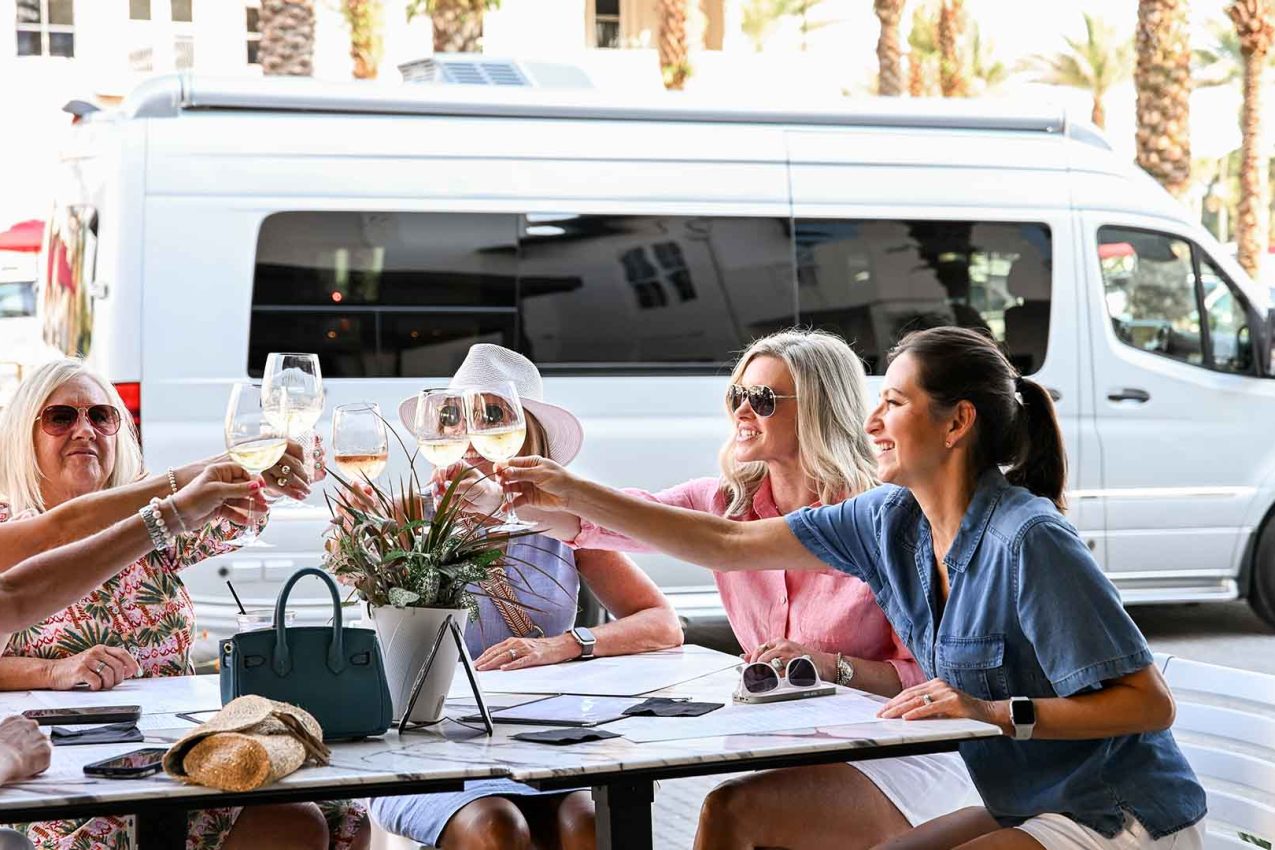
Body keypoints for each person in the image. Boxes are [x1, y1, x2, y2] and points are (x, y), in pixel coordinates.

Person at [502, 326, 1207, 850]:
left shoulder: (1028, 539)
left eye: (892, 403)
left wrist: (993, 713)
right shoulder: (886, 519)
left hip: (1115, 813)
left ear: (957, 422)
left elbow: (1149, 704)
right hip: (1020, 798)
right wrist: (567, 492)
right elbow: (726, 542)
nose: (871, 422)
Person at [511, 329, 982, 849]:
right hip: (797, 744)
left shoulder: (878, 517)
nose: (742, 410)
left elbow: (931, 677)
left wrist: (831, 667)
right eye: (737, 394)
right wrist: (504, 497)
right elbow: (604, 523)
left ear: (820, 409)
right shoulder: (725, 503)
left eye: (762, 398)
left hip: (904, 746)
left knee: (731, 811)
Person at [0, 358, 366, 850]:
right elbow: (53, 543)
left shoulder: (142, 519)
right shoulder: (13, 529)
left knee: (347, 816)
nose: (85, 430)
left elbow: (232, 512)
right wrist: (54, 671)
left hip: (170, 746)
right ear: (24, 434)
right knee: (294, 823)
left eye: (101, 416)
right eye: (61, 417)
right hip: (69, 768)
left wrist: (260, 477)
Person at [359, 344, 683, 850]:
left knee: (590, 825)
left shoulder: (560, 523)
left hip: (544, 733)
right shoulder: (408, 516)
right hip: (432, 739)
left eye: (492, 417)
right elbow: (378, 635)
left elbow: (663, 622)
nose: (471, 433)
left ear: (526, 436)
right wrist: (365, 534)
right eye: (454, 417)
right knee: (498, 829)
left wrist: (566, 644)